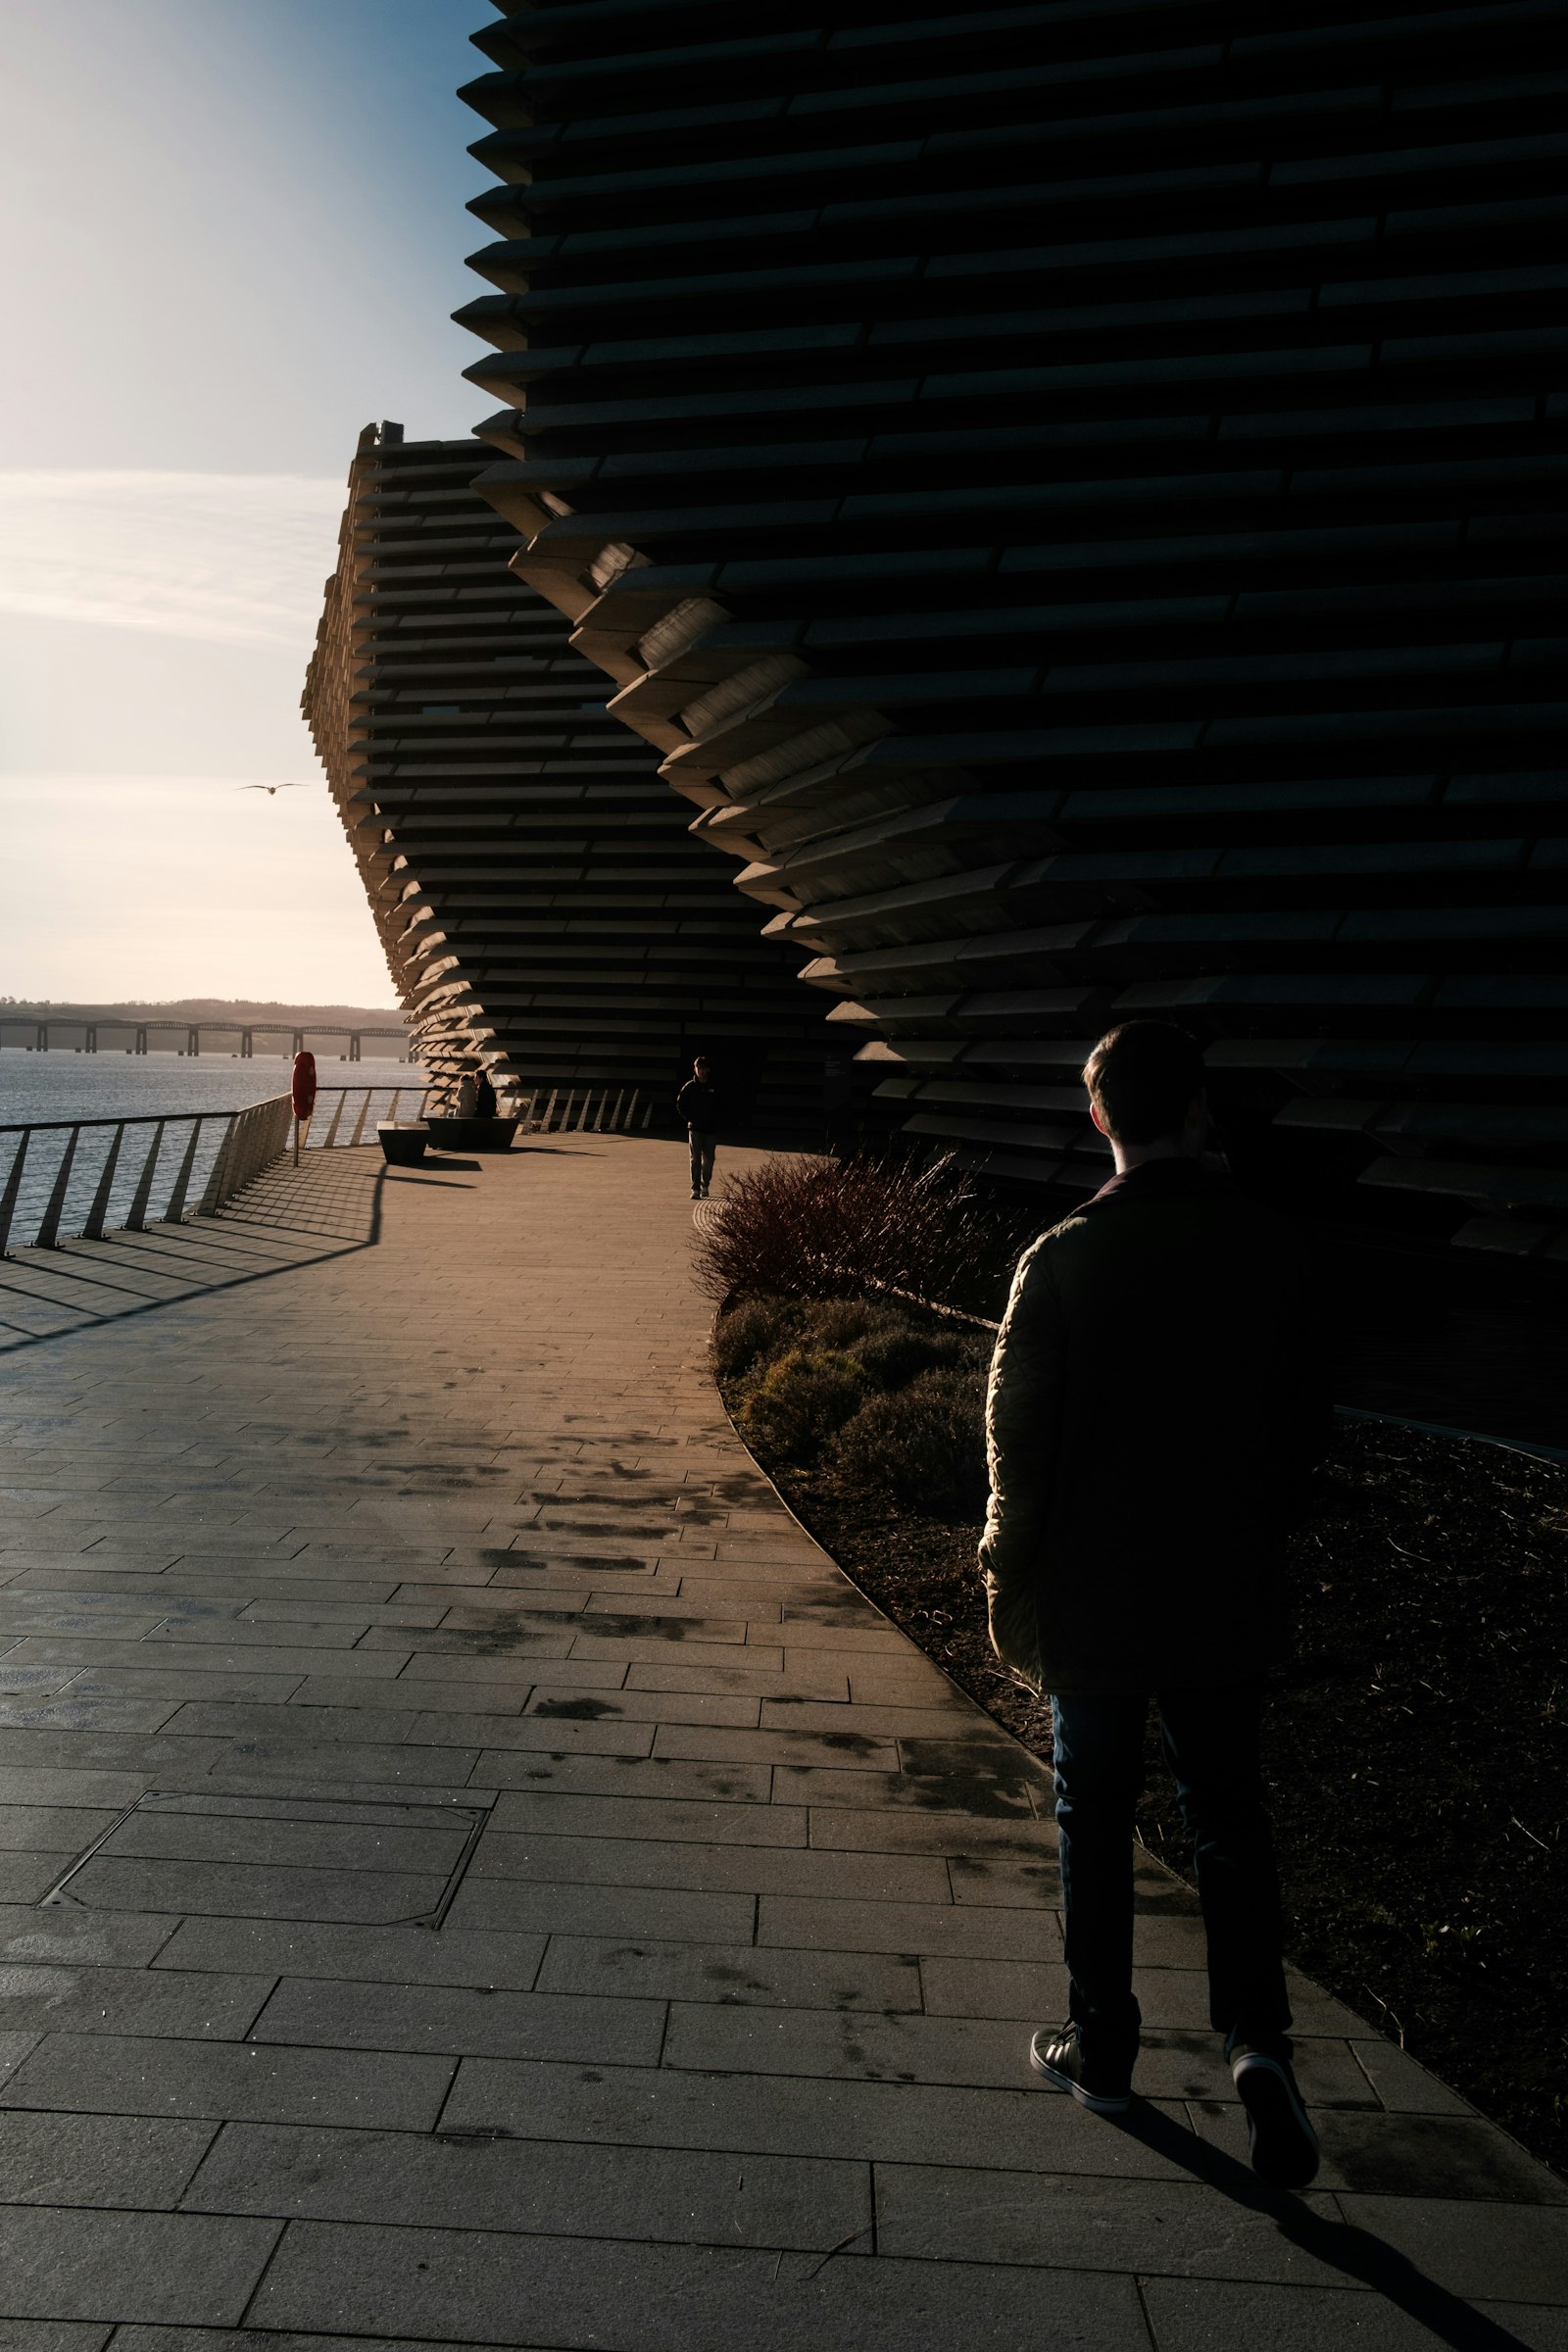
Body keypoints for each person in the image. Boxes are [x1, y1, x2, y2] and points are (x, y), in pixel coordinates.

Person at [980, 1019, 1328, 2187]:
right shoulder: (1275, 1250)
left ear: (1099, 1121)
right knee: (1228, 1811)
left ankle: (1105, 2039)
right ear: (1200, 1109)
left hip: (1097, 1585)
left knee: (1095, 1806)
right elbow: (1302, 1431)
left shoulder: (1067, 1255)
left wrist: (1006, 1569)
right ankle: (1257, 2044)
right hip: (1223, 1581)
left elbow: (1015, 1441)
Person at [676, 1056, 719, 1199]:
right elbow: (680, 1104)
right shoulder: (690, 1086)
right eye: (698, 1068)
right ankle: (695, 1189)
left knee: (709, 1159)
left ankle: (705, 1183)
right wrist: (689, 1118)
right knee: (695, 1159)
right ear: (695, 1069)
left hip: (711, 1129)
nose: (700, 1071)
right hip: (695, 1129)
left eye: (703, 1068)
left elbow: (723, 1105)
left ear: (708, 1069)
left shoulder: (714, 1086)